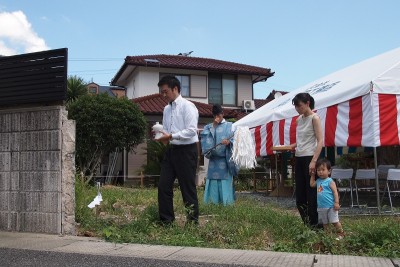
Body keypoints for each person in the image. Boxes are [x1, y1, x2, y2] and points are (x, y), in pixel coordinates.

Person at [154, 75, 199, 225]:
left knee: (187, 188)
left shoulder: (188, 106)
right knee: (163, 185)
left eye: (165, 91)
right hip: (172, 149)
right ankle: (166, 221)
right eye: (162, 92)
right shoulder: (166, 109)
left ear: (175, 89)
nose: (164, 95)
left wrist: (172, 135)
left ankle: (192, 223)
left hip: (187, 151)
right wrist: (163, 137)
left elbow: (192, 130)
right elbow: (167, 131)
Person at [290, 93, 323, 229]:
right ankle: (307, 223)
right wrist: (291, 146)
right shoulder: (299, 119)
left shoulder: (315, 118)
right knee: (300, 193)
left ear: (308, 103)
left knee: (311, 191)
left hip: (310, 157)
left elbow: (320, 141)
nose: (298, 109)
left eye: (300, 106)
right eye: (296, 107)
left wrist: (314, 161)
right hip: (299, 156)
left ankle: (315, 224)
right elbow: (301, 140)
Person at [200, 104, 235, 205]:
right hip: (213, 160)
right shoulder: (208, 127)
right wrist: (214, 126)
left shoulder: (230, 125)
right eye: (215, 115)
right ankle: (212, 203)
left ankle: (227, 204)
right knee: (213, 183)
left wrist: (229, 142)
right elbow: (205, 141)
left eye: (219, 115)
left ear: (222, 114)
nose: (217, 118)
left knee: (225, 182)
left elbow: (236, 139)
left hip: (225, 159)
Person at [310, 158, 345, 238]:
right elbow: (312, 184)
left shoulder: (330, 181)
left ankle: (341, 233)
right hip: (321, 207)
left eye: (323, 169)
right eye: (318, 170)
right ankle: (327, 236)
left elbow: (335, 192)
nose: (321, 172)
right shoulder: (318, 181)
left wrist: (336, 203)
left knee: (335, 221)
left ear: (329, 171)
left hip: (331, 206)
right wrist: (312, 175)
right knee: (325, 223)